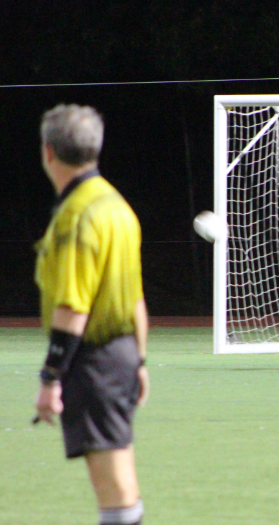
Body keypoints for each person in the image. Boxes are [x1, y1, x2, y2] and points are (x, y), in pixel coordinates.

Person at [33, 104, 149, 525]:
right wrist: (139, 360)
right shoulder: (117, 205)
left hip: (95, 360)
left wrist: (50, 377)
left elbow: (72, 308)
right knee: (120, 480)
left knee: (112, 485)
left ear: (48, 152)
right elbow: (136, 297)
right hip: (119, 355)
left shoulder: (76, 214)